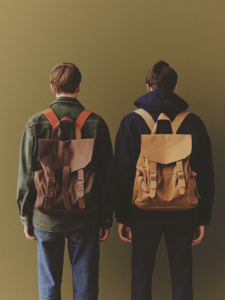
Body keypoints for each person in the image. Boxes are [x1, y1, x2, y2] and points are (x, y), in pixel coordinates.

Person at [114, 60, 214, 300]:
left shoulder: (131, 121)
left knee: (140, 274)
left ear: (148, 87)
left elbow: (122, 172)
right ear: (175, 88)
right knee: (181, 274)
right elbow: (206, 173)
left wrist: (124, 216)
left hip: (142, 209)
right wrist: (202, 217)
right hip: (183, 209)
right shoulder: (193, 121)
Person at [16, 63, 114, 300]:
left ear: (52, 87)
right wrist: (106, 218)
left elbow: (27, 175)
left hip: (45, 217)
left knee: (48, 288)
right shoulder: (96, 123)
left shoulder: (35, 123)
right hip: (86, 216)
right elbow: (106, 176)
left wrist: (26, 216)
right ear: (79, 86)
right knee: (86, 288)